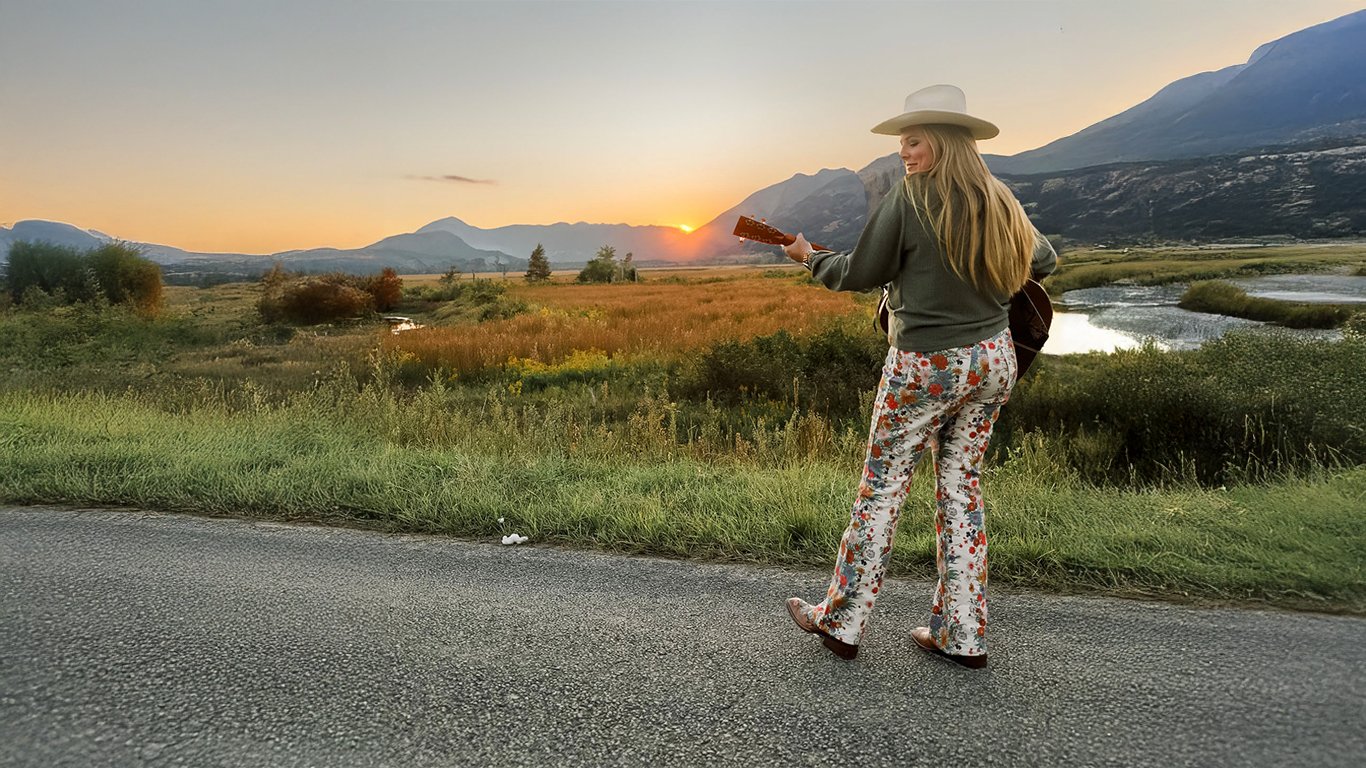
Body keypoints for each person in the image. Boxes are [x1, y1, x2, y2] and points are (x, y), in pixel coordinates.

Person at [781, 84, 1056, 669]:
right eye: (903, 144)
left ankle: (841, 622)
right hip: (992, 362)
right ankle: (963, 636)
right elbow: (1046, 260)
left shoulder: (912, 198)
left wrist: (809, 257)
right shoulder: (1000, 196)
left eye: (913, 142)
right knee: (962, 491)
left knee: (882, 488)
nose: (904, 153)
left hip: (925, 366)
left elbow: (859, 272)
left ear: (943, 141)